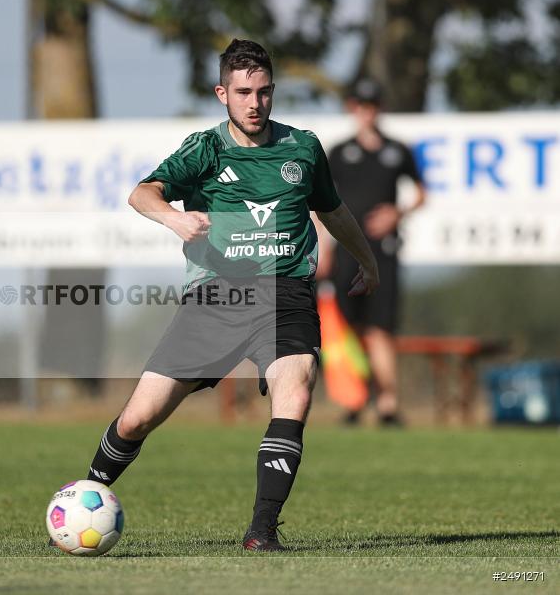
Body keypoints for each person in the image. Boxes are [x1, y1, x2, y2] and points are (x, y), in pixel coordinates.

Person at [78, 39, 378, 552]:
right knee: (138, 417)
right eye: (243, 92)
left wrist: (366, 259)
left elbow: (332, 210)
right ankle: (86, 495)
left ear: (273, 92)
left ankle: (262, 531)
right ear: (223, 94)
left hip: (287, 293)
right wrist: (174, 217)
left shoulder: (303, 148)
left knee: (297, 389)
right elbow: (142, 193)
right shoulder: (206, 148)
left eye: (263, 92)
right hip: (217, 298)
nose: (254, 103)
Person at [318, 79, 427, 427]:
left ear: (381, 108)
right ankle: (354, 399)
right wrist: (323, 248)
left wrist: (398, 213)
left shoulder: (397, 151)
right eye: (361, 105)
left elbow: (421, 193)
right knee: (349, 328)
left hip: (384, 250)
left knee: (381, 328)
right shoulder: (338, 152)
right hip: (347, 249)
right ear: (352, 108)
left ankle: (388, 405)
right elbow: (319, 204)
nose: (367, 112)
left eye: (373, 105)